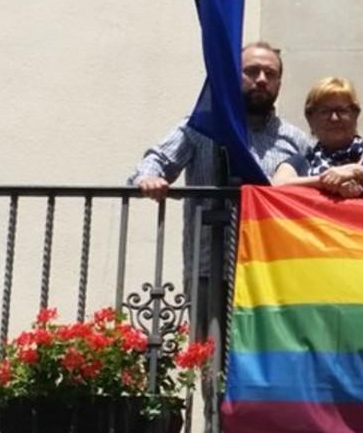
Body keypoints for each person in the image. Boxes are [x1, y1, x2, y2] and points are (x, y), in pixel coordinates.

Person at [129, 42, 308, 340]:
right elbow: (156, 161)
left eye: (270, 73)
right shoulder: (202, 127)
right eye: (251, 71)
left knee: (266, 363)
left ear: (279, 82)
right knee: (211, 365)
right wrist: (150, 178)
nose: (261, 79)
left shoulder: (294, 139)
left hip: (271, 271)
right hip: (208, 266)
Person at [272, 77, 363, 197]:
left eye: (342, 111)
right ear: (310, 119)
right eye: (325, 111)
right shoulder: (301, 162)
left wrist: (357, 171)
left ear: (355, 115)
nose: (334, 118)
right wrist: (327, 180)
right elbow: (276, 185)